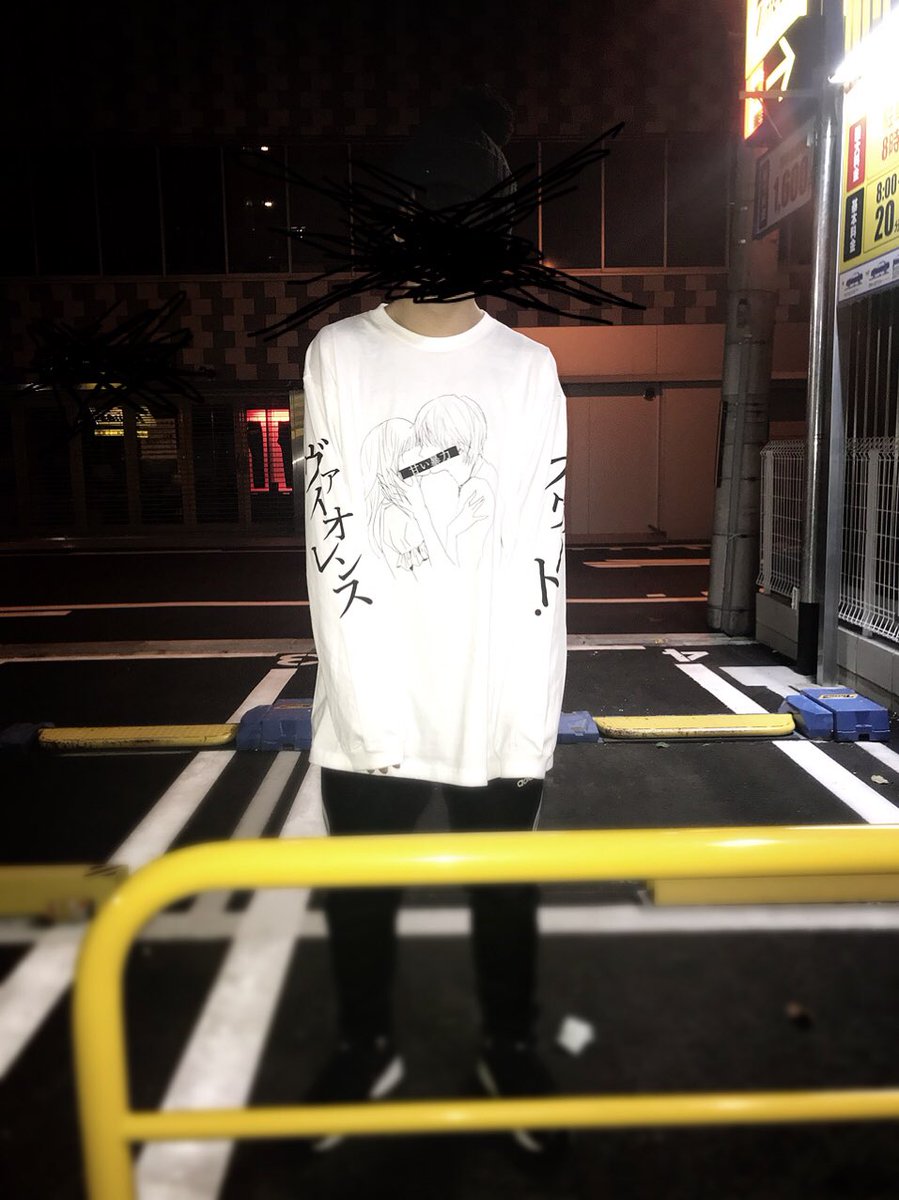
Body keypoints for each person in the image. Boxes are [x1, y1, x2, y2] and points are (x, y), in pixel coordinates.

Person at [301, 84, 568, 1156]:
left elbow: (539, 561)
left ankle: (509, 1047)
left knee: (502, 900)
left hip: (489, 702)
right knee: (359, 906)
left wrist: (526, 721)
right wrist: (368, 716)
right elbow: (333, 551)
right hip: (370, 706)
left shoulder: (525, 370)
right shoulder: (338, 355)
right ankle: (365, 1047)